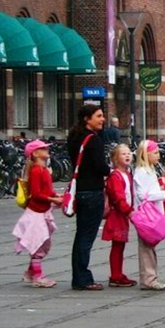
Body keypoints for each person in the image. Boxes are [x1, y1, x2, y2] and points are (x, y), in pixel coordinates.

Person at [67, 104, 109, 290]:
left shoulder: (74, 137)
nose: (102, 119)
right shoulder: (93, 140)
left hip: (80, 191)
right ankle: (83, 278)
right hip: (93, 191)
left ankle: (78, 276)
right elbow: (100, 166)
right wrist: (111, 171)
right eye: (98, 116)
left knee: (80, 235)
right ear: (87, 119)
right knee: (86, 237)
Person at [13, 139, 61, 288]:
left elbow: (47, 189)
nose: (47, 150)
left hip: (42, 212)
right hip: (36, 213)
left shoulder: (44, 170)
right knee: (38, 244)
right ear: (35, 154)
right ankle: (38, 277)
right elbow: (36, 194)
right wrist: (52, 199)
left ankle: (30, 272)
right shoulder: (35, 171)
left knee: (42, 242)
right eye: (44, 149)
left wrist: (56, 195)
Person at [133, 140, 165, 291]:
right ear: (146, 155)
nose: (158, 155)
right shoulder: (142, 172)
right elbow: (143, 195)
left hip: (150, 214)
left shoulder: (148, 170)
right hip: (146, 216)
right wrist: (162, 194)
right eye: (155, 153)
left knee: (149, 247)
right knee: (147, 248)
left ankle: (150, 277)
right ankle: (149, 279)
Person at [102, 144, 137, 288]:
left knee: (120, 245)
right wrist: (129, 211)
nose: (127, 155)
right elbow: (118, 197)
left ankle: (118, 273)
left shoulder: (127, 174)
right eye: (123, 154)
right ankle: (115, 275)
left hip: (123, 214)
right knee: (117, 245)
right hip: (117, 214)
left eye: (129, 153)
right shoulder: (115, 176)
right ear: (115, 159)